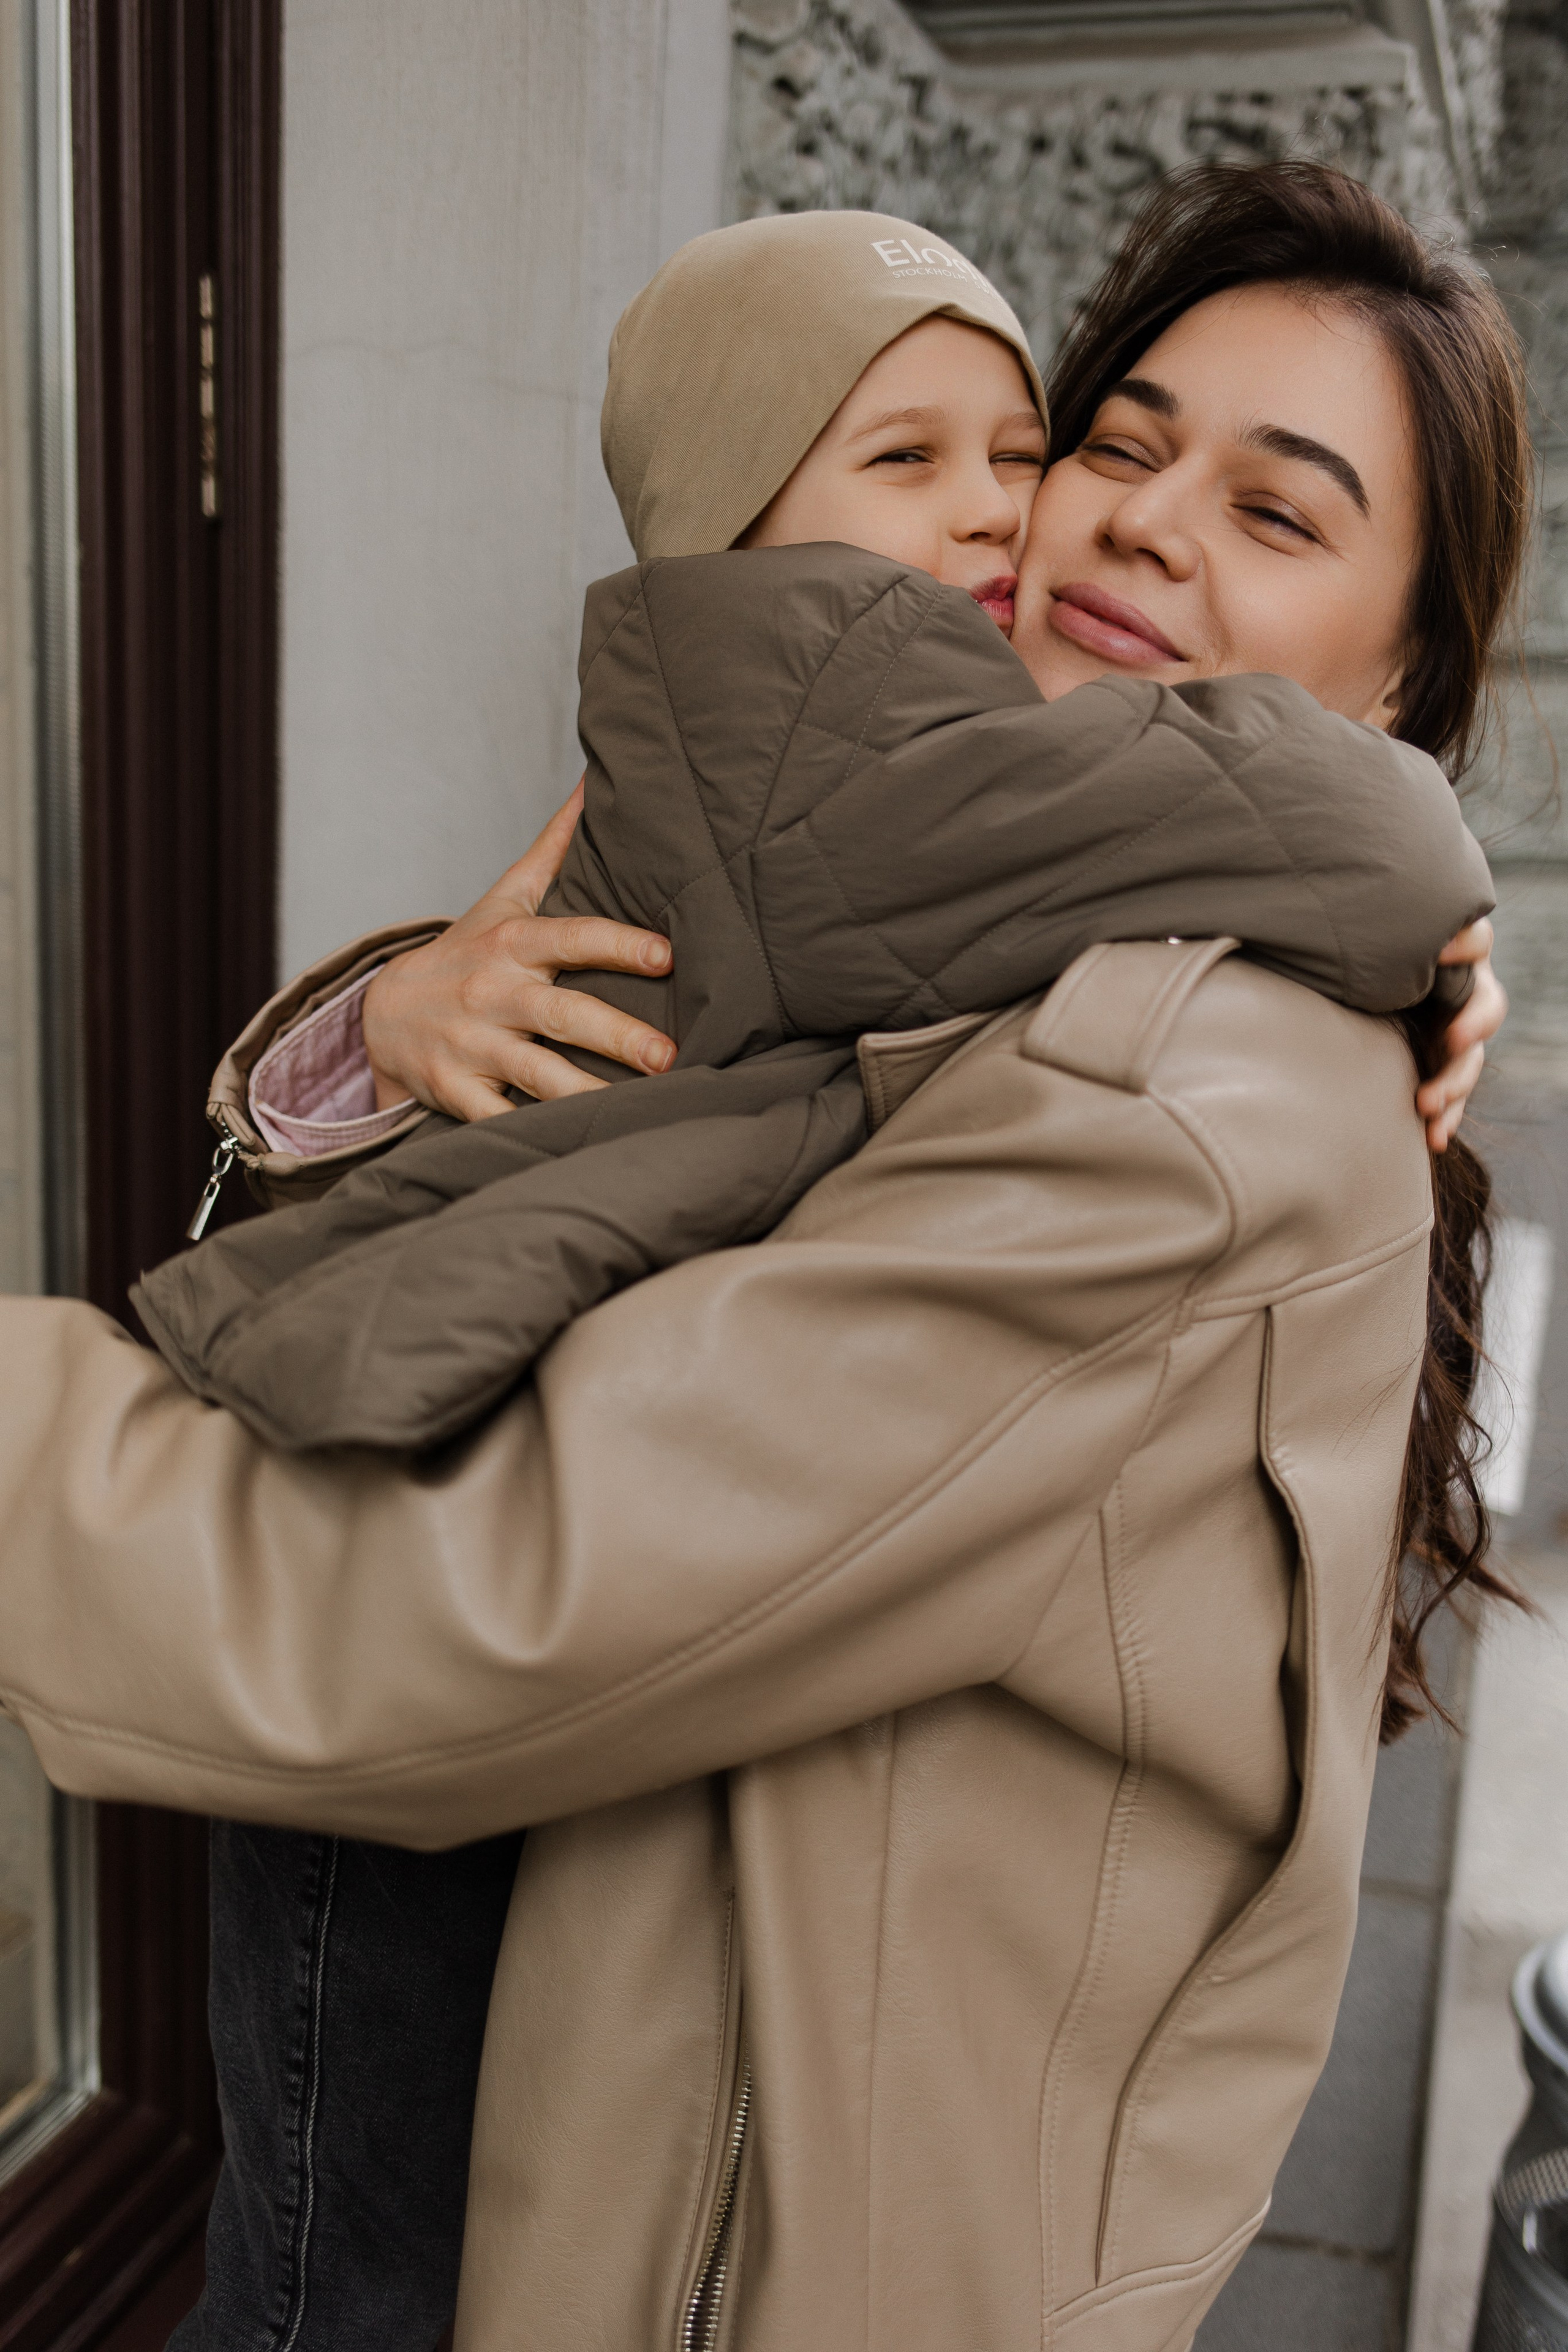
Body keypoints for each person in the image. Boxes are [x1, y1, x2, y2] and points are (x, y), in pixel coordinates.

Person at [0, 164, 1528, 2352]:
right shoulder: (959, 896)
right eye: (1118, 444)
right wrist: (394, 1025)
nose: (1139, 526)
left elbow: (474, 1587)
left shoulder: (1178, 1092)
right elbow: (500, 1203)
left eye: (1278, 512)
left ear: (1399, 679)